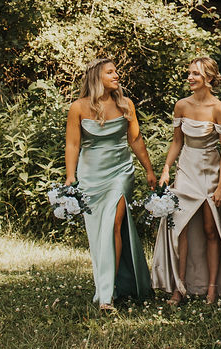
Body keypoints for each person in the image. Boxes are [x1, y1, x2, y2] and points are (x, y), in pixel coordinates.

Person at [64, 58, 155, 311]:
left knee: (114, 224)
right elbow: (72, 144)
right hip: (91, 175)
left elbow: (135, 140)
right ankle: (110, 285)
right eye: (110, 72)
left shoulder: (126, 105)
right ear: (96, 77)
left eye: (116, 71)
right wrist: (71, 176)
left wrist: (148, 169)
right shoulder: (78, 108)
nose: (117, 75)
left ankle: (107, 295)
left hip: (120, 172)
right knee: (99, 233)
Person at [151, 56, 221, 305]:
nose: (190, 78)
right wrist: (167, 168)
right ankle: (179, 286)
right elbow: (177, 141)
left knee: (211, 229)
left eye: (195, 74)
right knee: (181, 229)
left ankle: (212, 287)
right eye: (189, 73)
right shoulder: (182, 106)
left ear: (209, 78)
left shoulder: (219, 109)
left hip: (210, 172)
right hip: (186, 170)